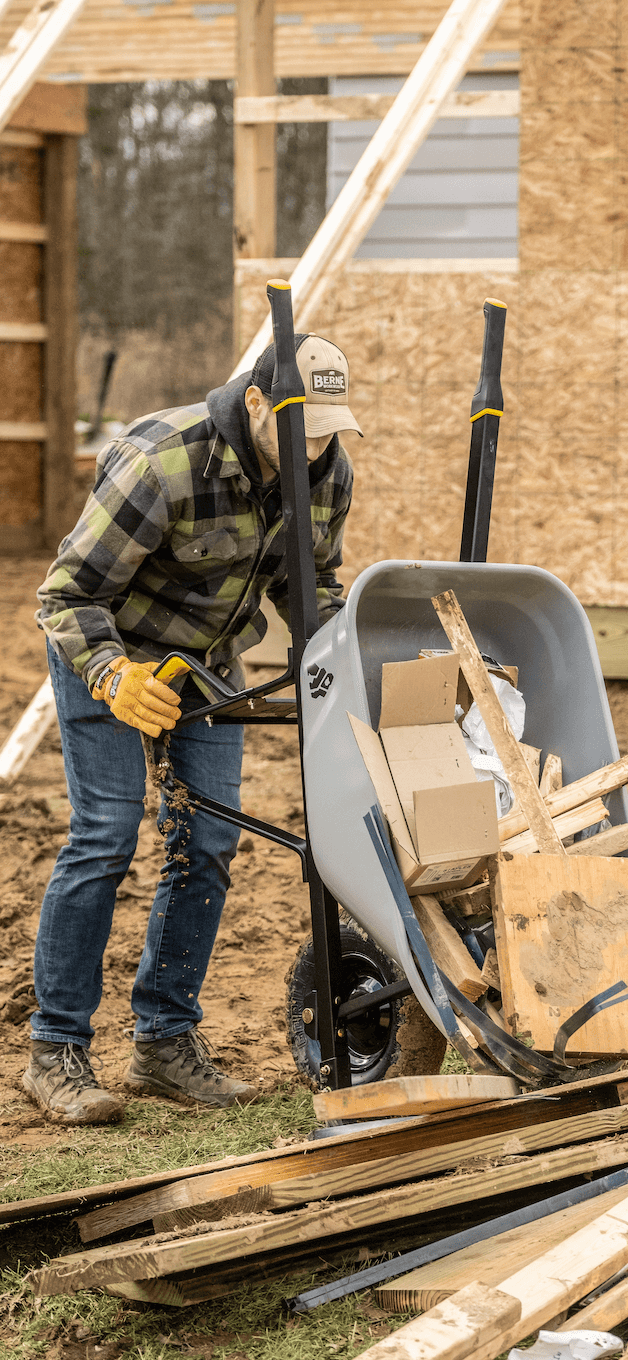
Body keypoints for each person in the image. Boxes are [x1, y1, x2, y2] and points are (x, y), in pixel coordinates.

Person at [27, 332, 361, 1125]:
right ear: (256, 404)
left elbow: (313, 587)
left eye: (328, 430)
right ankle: (55, 1049)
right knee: (107, 834)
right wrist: (112, 675)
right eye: (301, 428)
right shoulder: (163, 463)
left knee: (207, 842)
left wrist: (349, 656)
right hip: (110, 646)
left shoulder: (325, 470)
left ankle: (164, 1040)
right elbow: (65, 594)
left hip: (208, 660)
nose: (315, 448)